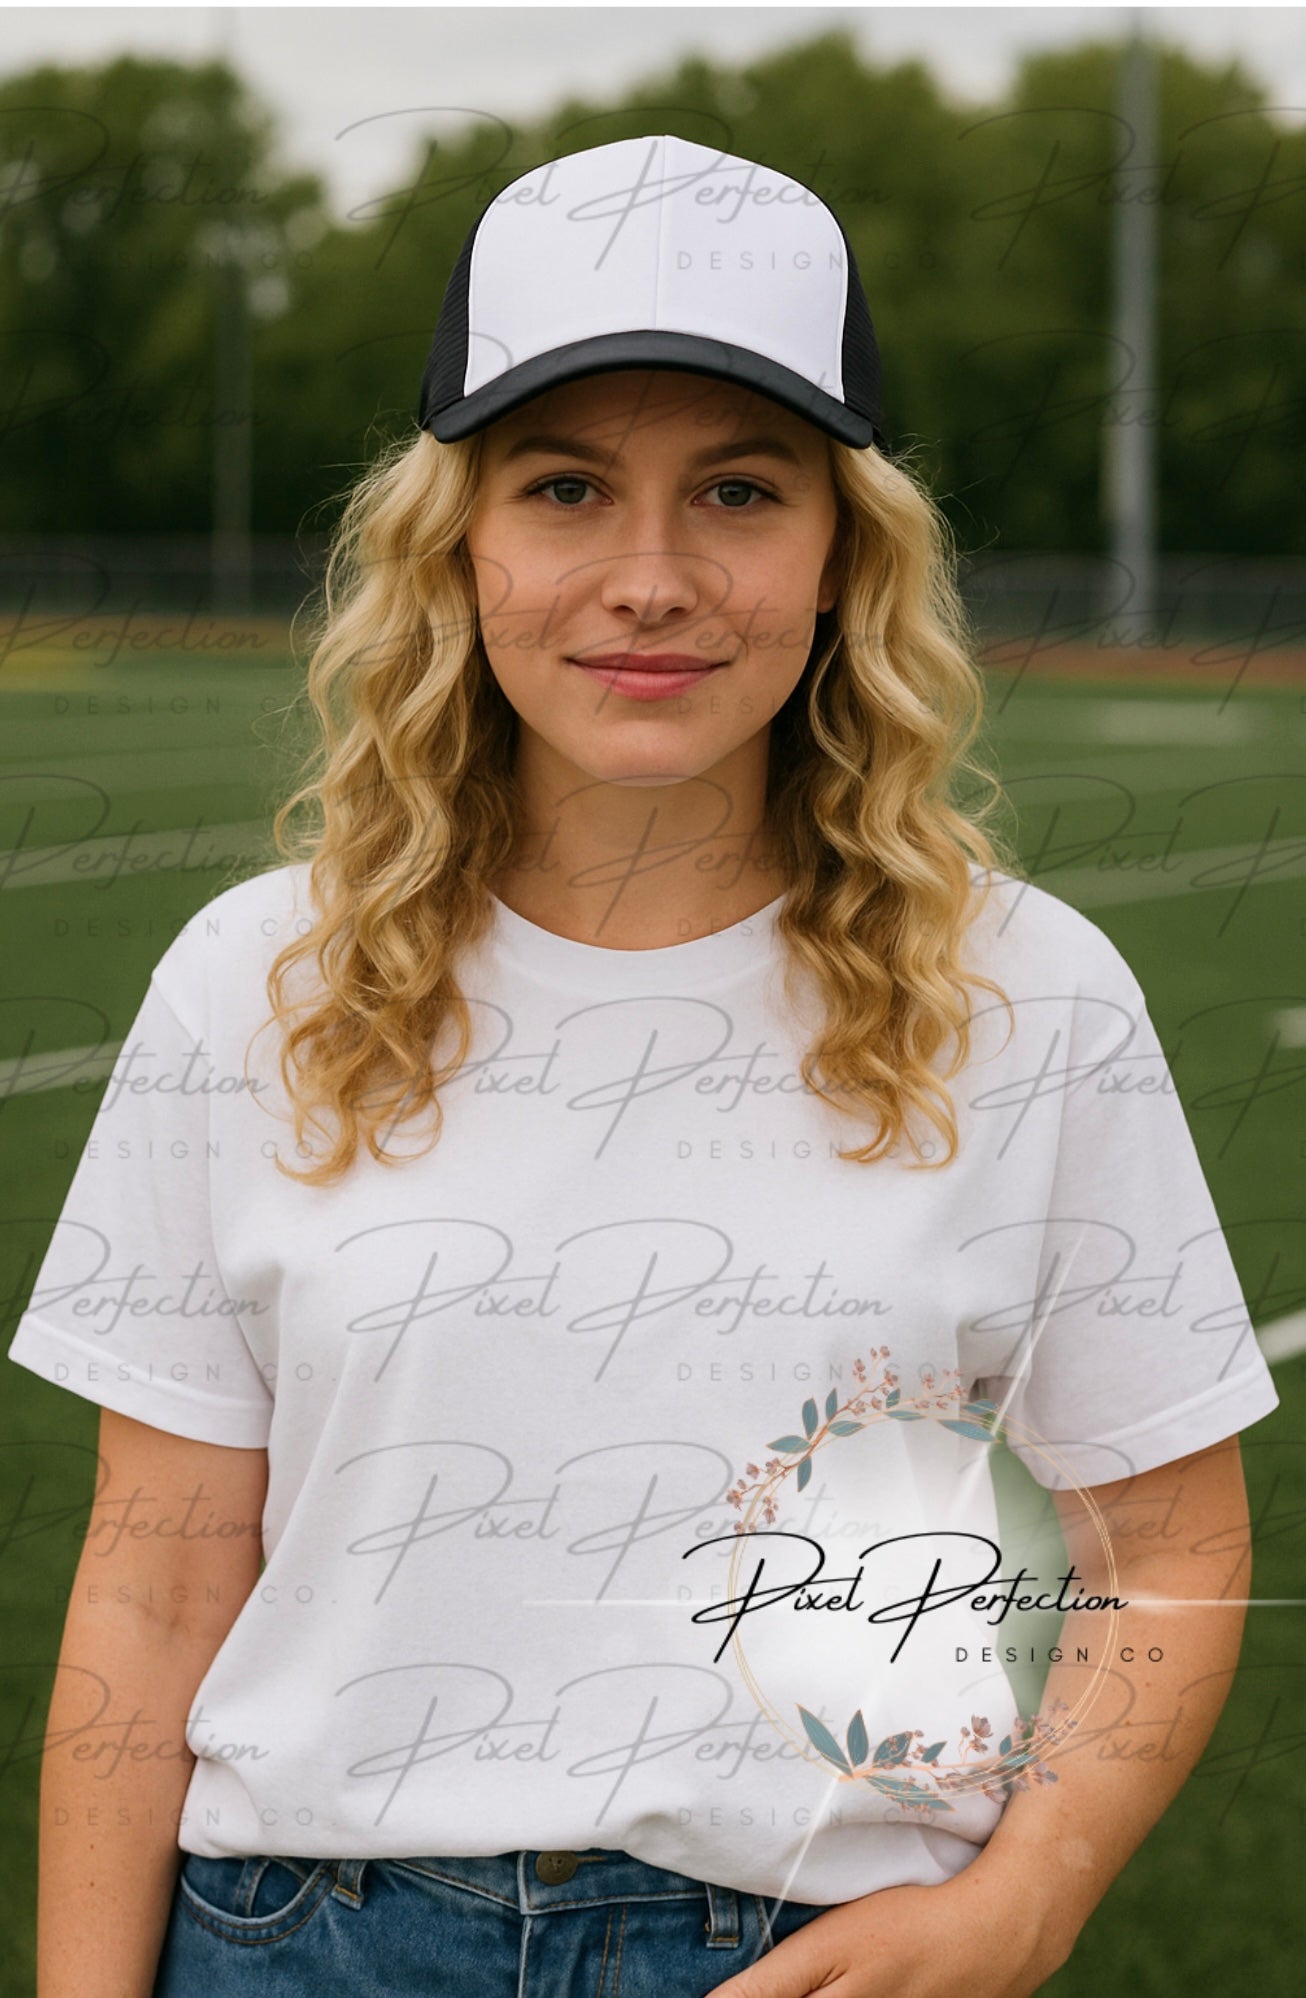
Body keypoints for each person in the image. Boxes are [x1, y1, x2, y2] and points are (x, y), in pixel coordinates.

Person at [10, 133, 1279, 1998]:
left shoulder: (1028, 996)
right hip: (303, 1946)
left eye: (742, 490)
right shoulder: (256, 982)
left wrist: (1025, 1898)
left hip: (794, 1946)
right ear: (459, 545)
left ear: (844, 550)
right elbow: (148, 1580)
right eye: (567, 486)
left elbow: (1166, 1543)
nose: (651, 576)